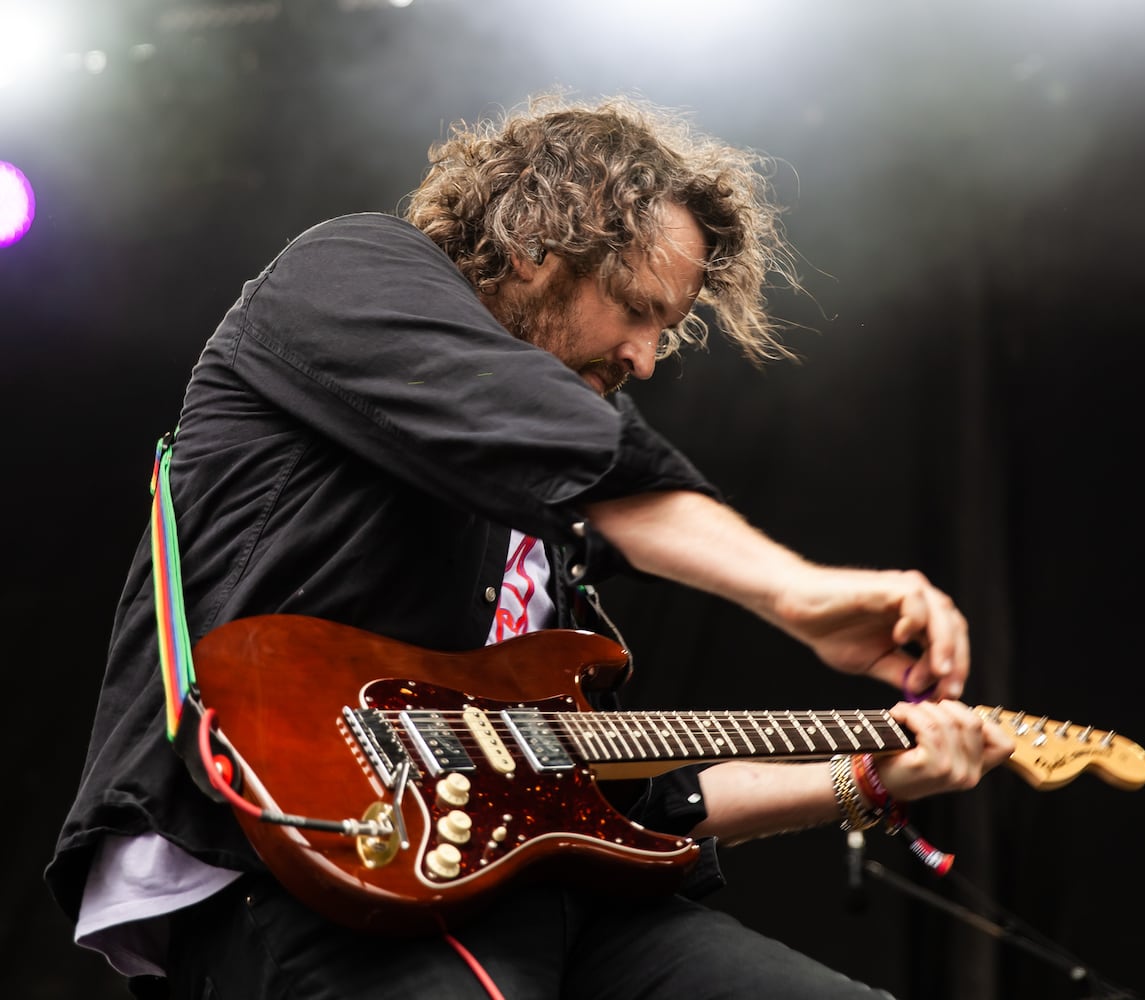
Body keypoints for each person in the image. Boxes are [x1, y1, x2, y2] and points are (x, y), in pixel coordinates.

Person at [46, 93, 1015, 999]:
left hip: (532, 891)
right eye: (638, 307)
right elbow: (572, 443)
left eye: (667, 334)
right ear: (540, 240)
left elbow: (627, 797)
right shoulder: (344, 271)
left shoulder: (547, 539)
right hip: (308, 856)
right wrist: (797, 593)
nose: (643, 356)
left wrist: (867, 776)